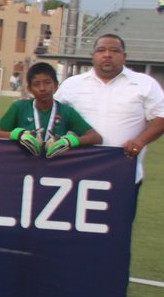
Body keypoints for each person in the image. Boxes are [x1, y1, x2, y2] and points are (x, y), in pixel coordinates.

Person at [56, 34, 164, 184]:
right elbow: (53, 116)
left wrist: (140, 141)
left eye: (114, 50)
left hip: (124, 172)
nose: (107, 55)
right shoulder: (71, 85)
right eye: (101, 50)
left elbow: (161, 117)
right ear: (92, 56)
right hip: (76, 171)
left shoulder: (145, 84)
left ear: (124, 56)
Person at [0, 62, 100, 157]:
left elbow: (95, 137)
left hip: (55, 171)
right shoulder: (19, 107)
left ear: (56, 85)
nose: (42, 88)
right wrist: (18, 135)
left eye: (47, 82)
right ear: (30, 89)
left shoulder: (66, 112)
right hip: (23, 168)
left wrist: (71, 141)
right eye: (36, 84)